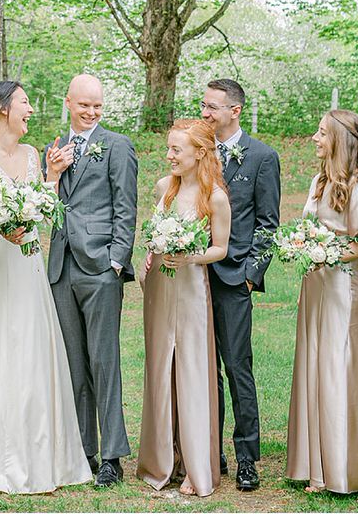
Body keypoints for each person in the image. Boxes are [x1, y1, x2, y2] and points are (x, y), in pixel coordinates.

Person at [0, 80, 91, 495]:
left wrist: (52, 176)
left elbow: (43, 204)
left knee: (29, 349)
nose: (30, 110)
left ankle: (35, 451)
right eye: (25, 103)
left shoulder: (30, 155)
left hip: (26, 268)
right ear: (5, 108)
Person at [45, 73, 138, 487]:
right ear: (69, 102)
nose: (91, 112)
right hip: (61, 268)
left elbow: (126, 208)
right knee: (73, 365)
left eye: (98, 106)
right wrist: (51, 174)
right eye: (84, 105)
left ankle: (112, 456)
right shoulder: (53, 149)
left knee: (105, 362)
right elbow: (45, 206)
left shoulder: (117, 146)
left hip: (100, 269)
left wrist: (115, 261)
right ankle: (84, 449)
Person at [286, 109, 358, 495]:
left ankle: (342, 469)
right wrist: (304, 246)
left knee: (337, 370)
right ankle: (314, 468)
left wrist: (329, 254)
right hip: (314, 285)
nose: (314, 138)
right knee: (312, 367)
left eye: (322, 133)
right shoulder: (318, 181)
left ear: (339, 141)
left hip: (343, 289)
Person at [137, 118, 231, 498]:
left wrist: (191, 257)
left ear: (199, 153)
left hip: (192, 289)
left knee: (192, 372)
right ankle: (162, 459)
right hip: (160, 286)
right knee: (160, 369)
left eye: (177, 149)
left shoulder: (216, 198)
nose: (169, 155)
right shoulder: (165, 188)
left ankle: (195, 464)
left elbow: (220, 249)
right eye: (169, 148)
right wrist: (149, 254)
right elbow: (152, 233)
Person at [200, 78, 280, 492]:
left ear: (235, 111)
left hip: (234, 280)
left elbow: (268, 225)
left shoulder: (263, 157)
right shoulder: (200, 152)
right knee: (203, 370)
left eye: (212, 106)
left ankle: (247, 457)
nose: (204, 113)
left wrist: (251, 275)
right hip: (197, 278)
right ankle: (210, 452)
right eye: (202, 104)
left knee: (236, 369)